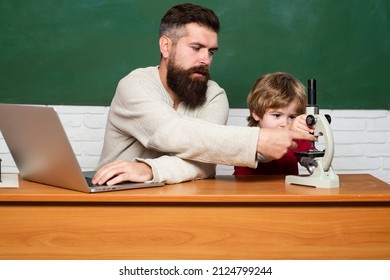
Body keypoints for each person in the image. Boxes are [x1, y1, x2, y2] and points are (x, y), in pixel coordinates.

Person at [92, 3, 315, 186]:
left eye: (211, 52)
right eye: (196, 48)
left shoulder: (214, 96)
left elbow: (204, 164)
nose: (205, 59)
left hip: (182, 206)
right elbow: (171, 133)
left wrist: (149, 170)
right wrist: (256, 141)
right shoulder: (134, 86)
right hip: (117, 197)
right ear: (166, 47)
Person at [234, 72, 314, 175]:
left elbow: (308, 156)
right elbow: (261, 156)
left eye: (292, 117)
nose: (285, 123)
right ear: (257, 114)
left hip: (284, 190)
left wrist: (311, 162)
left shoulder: (296, 138)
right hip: (246, 189)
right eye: (277, 115)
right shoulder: (248, 138)